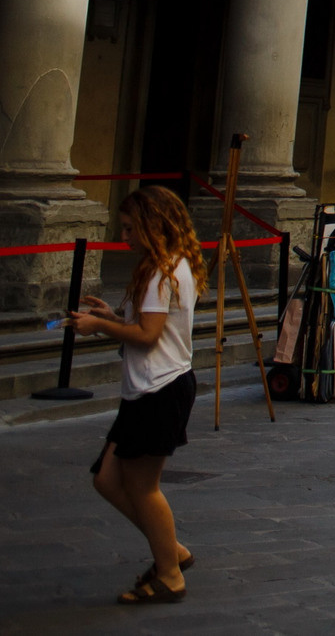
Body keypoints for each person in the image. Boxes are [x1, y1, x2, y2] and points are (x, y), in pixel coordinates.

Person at [68, 186, 201, 605]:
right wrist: (111, 315)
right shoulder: (162, 267)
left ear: (151, 225)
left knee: (143, 487)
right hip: (148, 388)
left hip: (159, 389)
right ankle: (172, 552)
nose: (123, 235)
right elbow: (148, 324)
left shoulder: (163, 271)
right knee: (107, 479)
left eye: (129, 227)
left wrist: (99, 327)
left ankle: (170, 574)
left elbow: (147, 335)